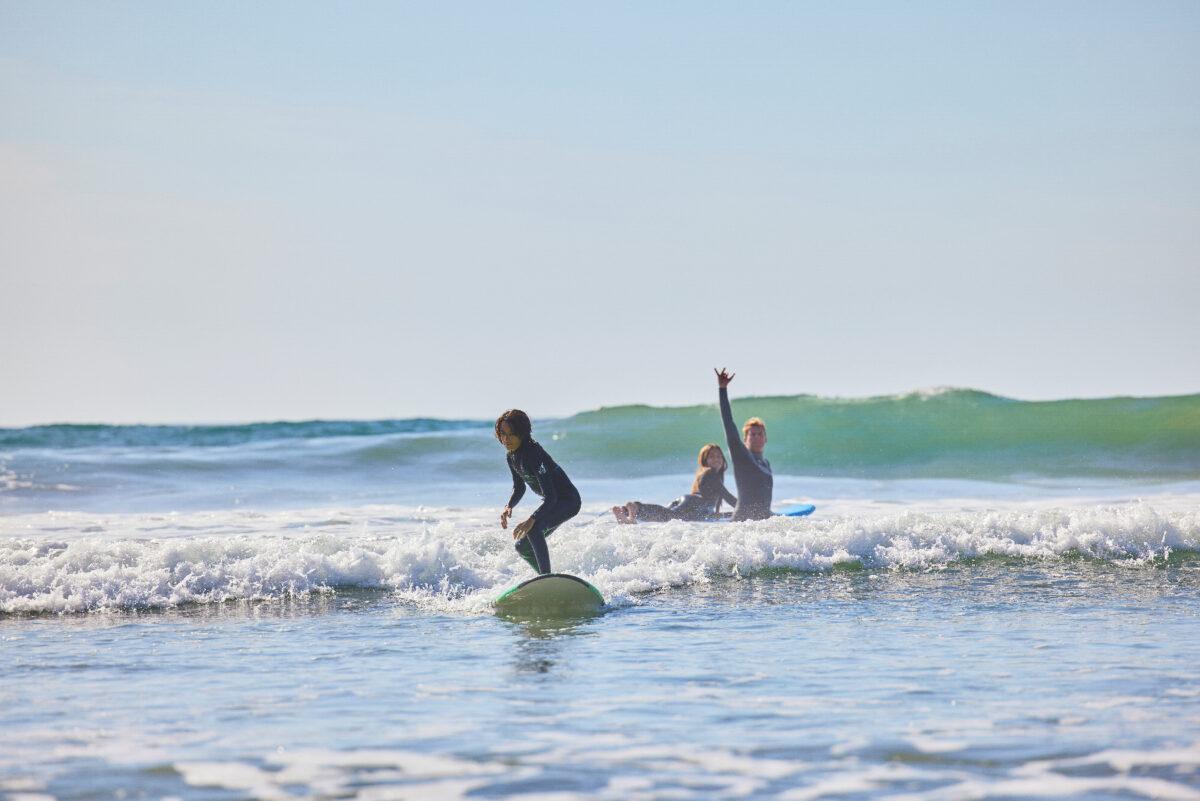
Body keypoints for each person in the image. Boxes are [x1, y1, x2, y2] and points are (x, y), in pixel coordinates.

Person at [496, 409, 581, 575]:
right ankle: (545, 580)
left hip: (568, 501)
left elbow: (551, 497)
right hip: (553, 502)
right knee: (522, 547)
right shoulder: (512, 456)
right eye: (503, 434)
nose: (506, 439)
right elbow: (519, 487)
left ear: (522, 433)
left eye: (512, 434)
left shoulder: (534, 454)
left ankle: (547, 578)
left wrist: (531, 519)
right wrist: (509, 505)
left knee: (534, 529)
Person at [611, 444, 737, 523]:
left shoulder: (705, 474)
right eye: (712, 456)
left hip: (688, 501)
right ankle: (636, 509)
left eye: (719, 456)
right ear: (705, 461)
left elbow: (709, 513)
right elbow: (727, 496)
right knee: (669, 516)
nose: (716, 459)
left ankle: (629, 512)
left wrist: (731, 513)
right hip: (694, 502)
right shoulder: (711, 474)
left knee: (666, 515)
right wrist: (747, 507)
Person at [715, 368, 773, 520]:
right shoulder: (742, 456)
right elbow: (729, 424)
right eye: (752, 434)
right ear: (745, 438)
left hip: (762, 524)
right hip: (742, 525)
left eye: (760, 434)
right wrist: (723, 389)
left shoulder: (765, 463)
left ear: (765, 438)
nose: (756, 437)